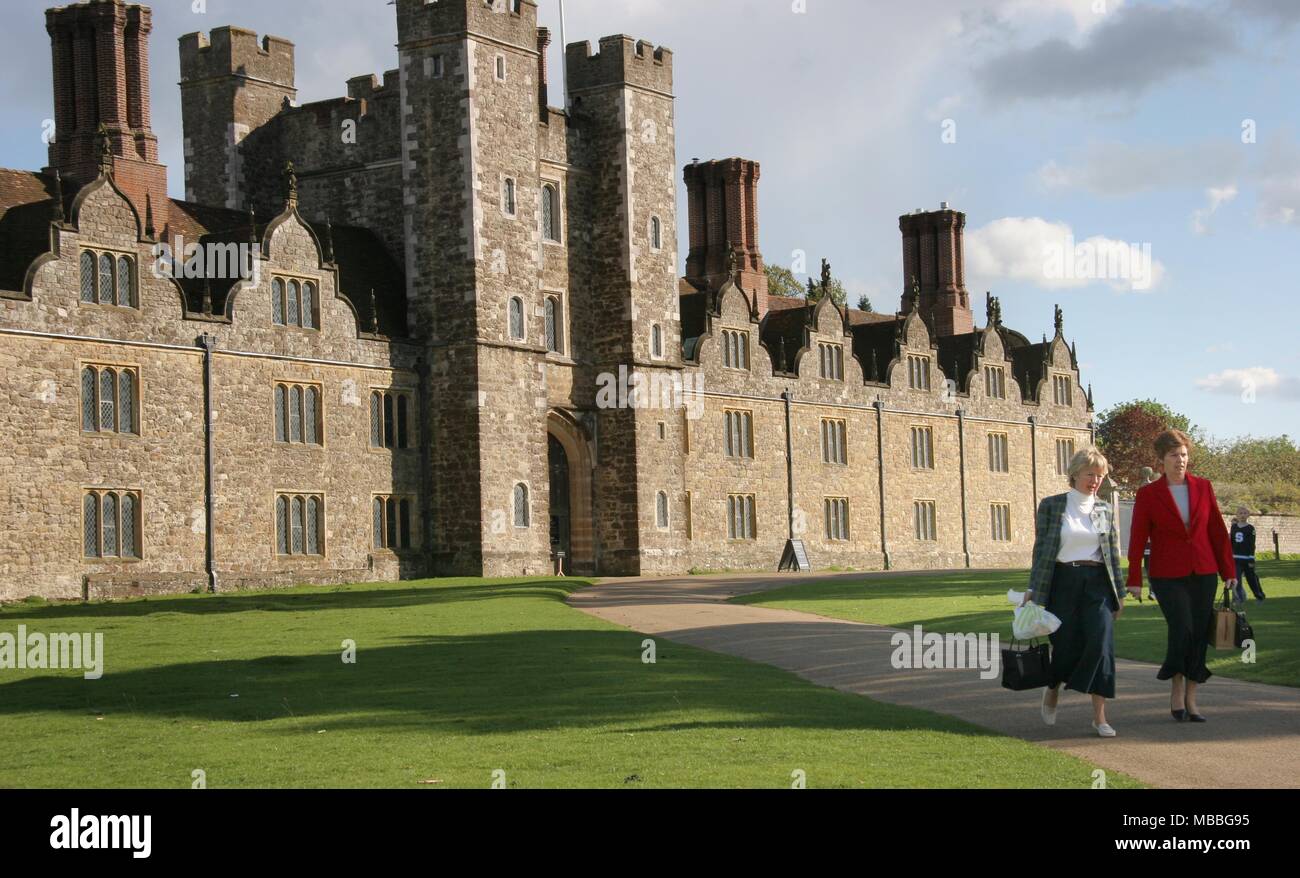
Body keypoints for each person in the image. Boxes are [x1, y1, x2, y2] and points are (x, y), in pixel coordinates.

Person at [1126, 429, 1237, 723]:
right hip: (1166, 574)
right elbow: (1137, 538)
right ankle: (1175, 684)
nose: (1180, 460)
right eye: (1174, 455)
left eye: (1184, 454)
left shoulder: (1203, 487)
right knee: (1183, 628)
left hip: (1203, 571)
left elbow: (1217, 531)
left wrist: (1229, 570)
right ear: (1161, 460)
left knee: (1199, 633)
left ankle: (1192, 696)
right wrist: (1134, 578)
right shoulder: (1149, 494)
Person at [1024, 447, 1126, 738]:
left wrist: (1118, 595)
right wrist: (1034, 589)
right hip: (1063, 581)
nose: (1094, 480)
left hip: (1097, 583)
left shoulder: (1104, 509)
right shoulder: (1052, 505)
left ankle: (1099, 717)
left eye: (1099, 475)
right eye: (1089, 474)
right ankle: (1054, 685)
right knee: (1066, 646)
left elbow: (1112, 556)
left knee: (1101, 644)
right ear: (1075, 474)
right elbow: (1041, 551)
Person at [1230, 507, 1267, 602]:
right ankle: (1238, 598)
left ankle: (1259, 596)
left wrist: (1251, 559)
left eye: (1244, 513)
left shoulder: (1250, 528)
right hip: (1235, 558)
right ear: (1237, 515)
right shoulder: (1234, 527)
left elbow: (1251, 544)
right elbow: (1231, 542)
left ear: (1248, 515)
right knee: (1236, 579)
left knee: (1252, 579)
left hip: (1247, 559)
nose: (1242, 515)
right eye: (1240, 513)